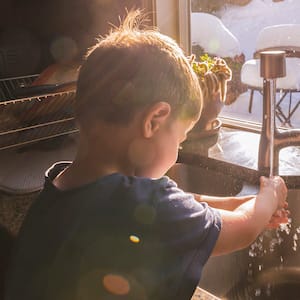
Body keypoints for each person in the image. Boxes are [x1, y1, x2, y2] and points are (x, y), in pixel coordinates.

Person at [5, 10, 288, 300]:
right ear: (154, 121)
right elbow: (241, 230)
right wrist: (269, 196)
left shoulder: (60, 187)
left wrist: (237, 202)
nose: (177, 153)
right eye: (180, 139)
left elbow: (175, 203)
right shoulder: (142, 203)